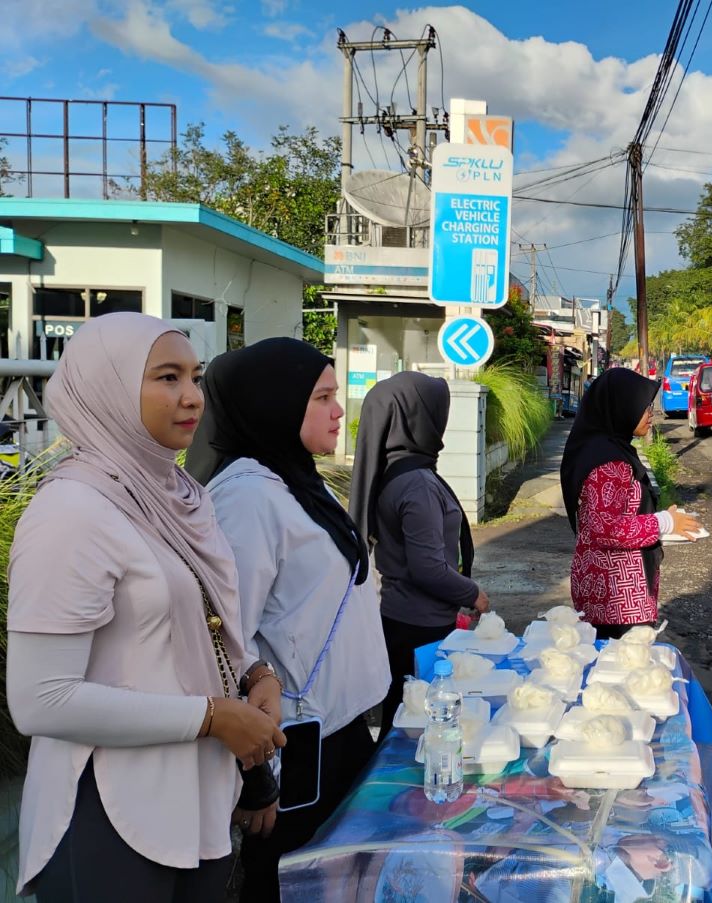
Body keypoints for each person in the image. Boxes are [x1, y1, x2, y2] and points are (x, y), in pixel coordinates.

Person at [6, 313, 284, 900]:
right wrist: (212, 717)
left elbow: (199, 621)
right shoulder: (74, 512)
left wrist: (253, 673)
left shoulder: (181, 496)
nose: (191, 397)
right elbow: (40, 700)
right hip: (110, 811)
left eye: (195, 376)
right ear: (108, 389)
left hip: (198, 800)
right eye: (165, 378)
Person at [186, 338, 390, 902]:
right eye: (322, 396)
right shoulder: (248, 498)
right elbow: (223, 642)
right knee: (294, 882)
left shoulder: (295, 478)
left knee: (336, 879)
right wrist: (256, 774)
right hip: (294, 742)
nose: (339, 409)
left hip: (335, 728)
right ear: (276, 406)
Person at [349, 371, 489, 735]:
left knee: (402, 715)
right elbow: (427, 568)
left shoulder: (397, 470)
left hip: (399, 619)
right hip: (420, 628)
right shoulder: (418, 484)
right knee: (418, 727)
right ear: (419, 418)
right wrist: (473, 594)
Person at [559, 368, 701, 639]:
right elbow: (606, 527)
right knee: (619, 671)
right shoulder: (608, 462)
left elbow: (618, 511)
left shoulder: (608, 447)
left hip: (610, 589)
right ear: (620, 406)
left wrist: (662, 521)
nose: (650, 413)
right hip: (613, 597)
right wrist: (665, 522)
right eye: (642, 406)